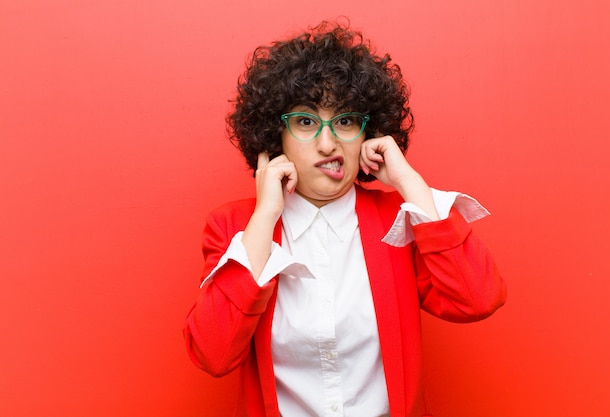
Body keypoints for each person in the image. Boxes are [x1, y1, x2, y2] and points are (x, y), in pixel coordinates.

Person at [184, 21, 506, 417]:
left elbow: (478, 299)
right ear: (275, 137)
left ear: (368, 133)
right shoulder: (237, 227)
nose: (327, 143)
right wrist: (265, 216)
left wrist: (409, 182)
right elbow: (213, 355)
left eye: (345, 121)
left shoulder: (398, 221)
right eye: (305, 122)